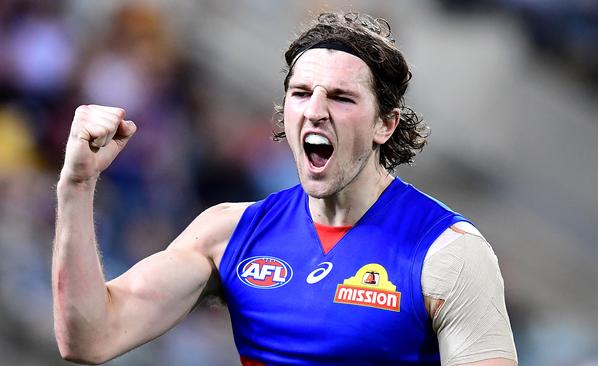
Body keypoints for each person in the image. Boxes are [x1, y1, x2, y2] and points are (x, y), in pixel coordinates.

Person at [52, 11, 517, 366]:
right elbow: (91, 337)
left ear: (385, 124)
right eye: (301, 93)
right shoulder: (228, 234)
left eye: (340, 97)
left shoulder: (448, 254)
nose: (315, 110)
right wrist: (76, 184)